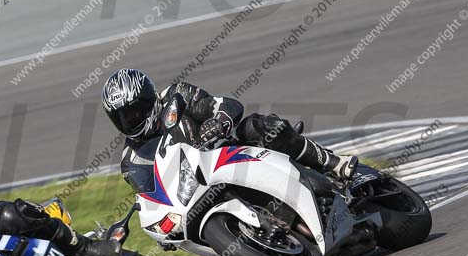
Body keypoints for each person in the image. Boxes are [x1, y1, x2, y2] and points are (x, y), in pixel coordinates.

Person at [101, 68, 358, 180]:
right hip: (195, 190)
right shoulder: (131, 160)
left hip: (230, 150)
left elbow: (224, 104)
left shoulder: (175, 95)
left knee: (263, 127)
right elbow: (149, 196)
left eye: (134, 113)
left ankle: (332, 163)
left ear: (148, 100)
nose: (131, 121)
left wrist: (220, 121)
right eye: (123, 117)